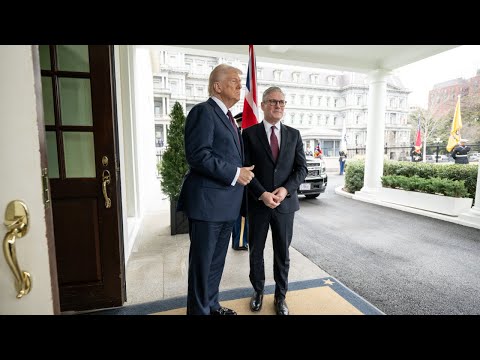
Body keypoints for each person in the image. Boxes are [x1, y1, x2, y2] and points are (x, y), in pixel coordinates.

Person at [177, 64, 255, 315]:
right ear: (217, 86)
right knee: (202, 266)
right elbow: (198, 155)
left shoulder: (228, 117)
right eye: (233, 80)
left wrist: (241, 169)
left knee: (215, 264)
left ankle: (211, 306)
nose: (239, 84)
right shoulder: (203, 112)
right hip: (207, 205)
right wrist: (235, 173)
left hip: (225, 205)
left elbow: (222, 154)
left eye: (239, 80)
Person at [242, 86, 308, 315]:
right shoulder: (249, 134)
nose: (278, 105)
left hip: (284, 205)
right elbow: (246, 170)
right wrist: (262, 193)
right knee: (256, 252)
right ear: (262, 105)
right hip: (258, 204)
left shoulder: (294, 134)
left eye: (281, 102)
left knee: (283, 253)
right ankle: (258, 291)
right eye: (272, 101)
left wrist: (286, 189)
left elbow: (301, 169)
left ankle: (281, 297)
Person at [231, 112, 249, 251]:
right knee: (241, 213)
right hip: (239, 178)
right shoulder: (238, 135)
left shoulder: (243, 134)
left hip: (246, 177)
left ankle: (242, 240)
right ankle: (240, 241)